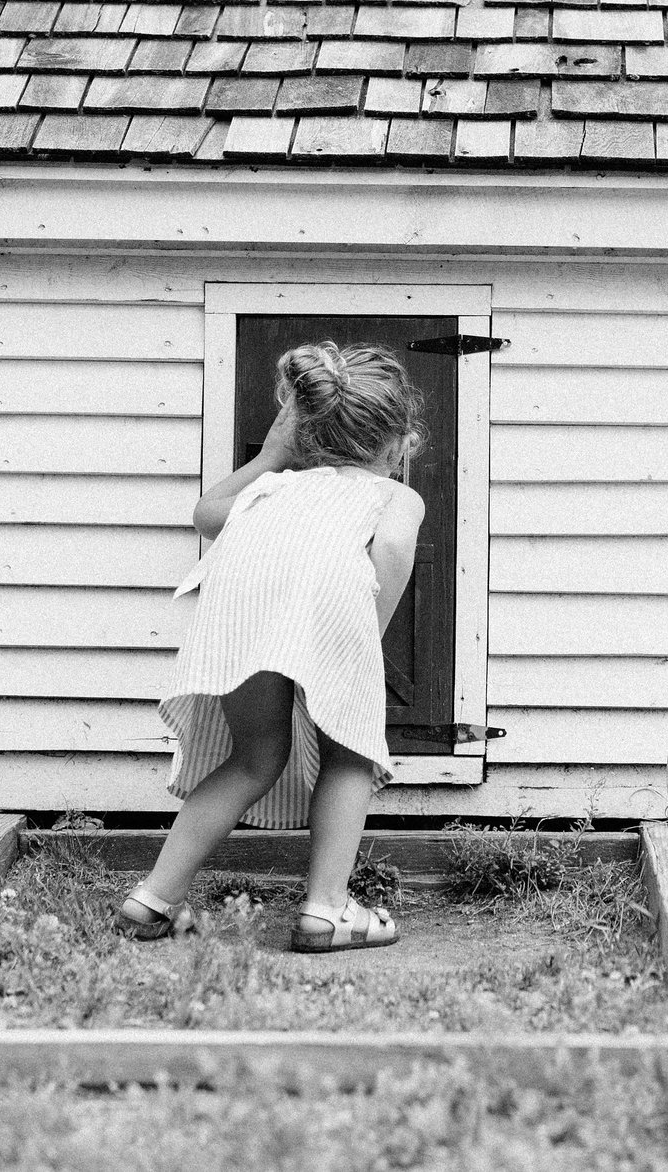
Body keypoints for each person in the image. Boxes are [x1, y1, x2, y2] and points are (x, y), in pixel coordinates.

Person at [113, 341, 426, 951]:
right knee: (348, 755)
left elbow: (206, 513)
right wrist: (367, 641)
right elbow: (388, 553)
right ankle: (327, 910)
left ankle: (151, 899)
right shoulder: (395, 496)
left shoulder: (272, 489)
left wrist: (272, 452)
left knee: (256, 756)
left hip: (241, 612)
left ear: (305, 433)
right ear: (394, 443)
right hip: (335, 607)